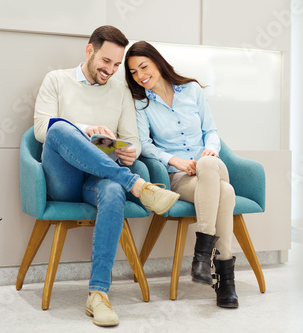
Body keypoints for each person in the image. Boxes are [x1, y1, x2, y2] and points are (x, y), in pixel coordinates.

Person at [34, 27, 180, 327]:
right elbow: (41, 130)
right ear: (90, 51)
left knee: (113, 190)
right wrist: (87, 129)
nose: (111, 70)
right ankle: (137, 185)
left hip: (98, 179)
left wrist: (130, 152)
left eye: (117, 64)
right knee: (60, 128)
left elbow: (132, 139)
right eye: (106, 61)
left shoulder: (121, 91)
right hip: (65, 180)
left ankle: (98, 294)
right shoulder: (57, 80)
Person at [125, 41, 239, 308]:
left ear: (157, 62)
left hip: (211, 165)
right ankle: (226, 281)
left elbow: (211, 131)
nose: (140, 75)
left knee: (208, 166)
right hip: (180, 176)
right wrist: (175, 160)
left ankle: (201, 255)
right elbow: (146, 145)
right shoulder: (141, 103)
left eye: (144, 66)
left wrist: (209, 153)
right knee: (227, 192)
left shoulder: (191, 90)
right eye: (133, 72)